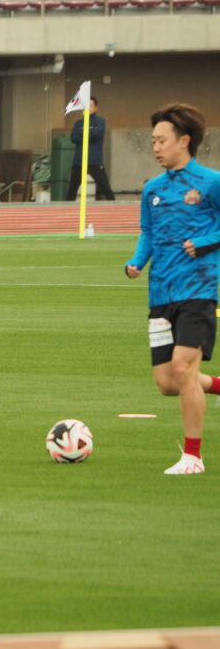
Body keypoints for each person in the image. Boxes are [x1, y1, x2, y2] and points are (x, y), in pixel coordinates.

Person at [125, 103, 220, 475]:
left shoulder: (211, 182)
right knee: (168, 382)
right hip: (160, 293)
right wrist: (136, 262)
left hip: (198, 290)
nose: (155, 147)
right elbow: (148, 233)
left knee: (183, 367)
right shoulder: (153, 189)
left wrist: (208, 241)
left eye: (162, 140)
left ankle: (193, 457)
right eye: (152, 141)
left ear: (185, 141)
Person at [67, 96, 115, 202]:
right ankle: (67, 210)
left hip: (94, 160)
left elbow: (97, 134)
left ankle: (114, 207)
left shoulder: (100, 121)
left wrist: (83, 133)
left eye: (91, 105)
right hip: (79, 161)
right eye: (86, 106)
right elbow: (74, 138)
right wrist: (88, 133)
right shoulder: (78, 123)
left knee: (105, 187)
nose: (88, 108)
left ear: (96, 108)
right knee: (72, 189)